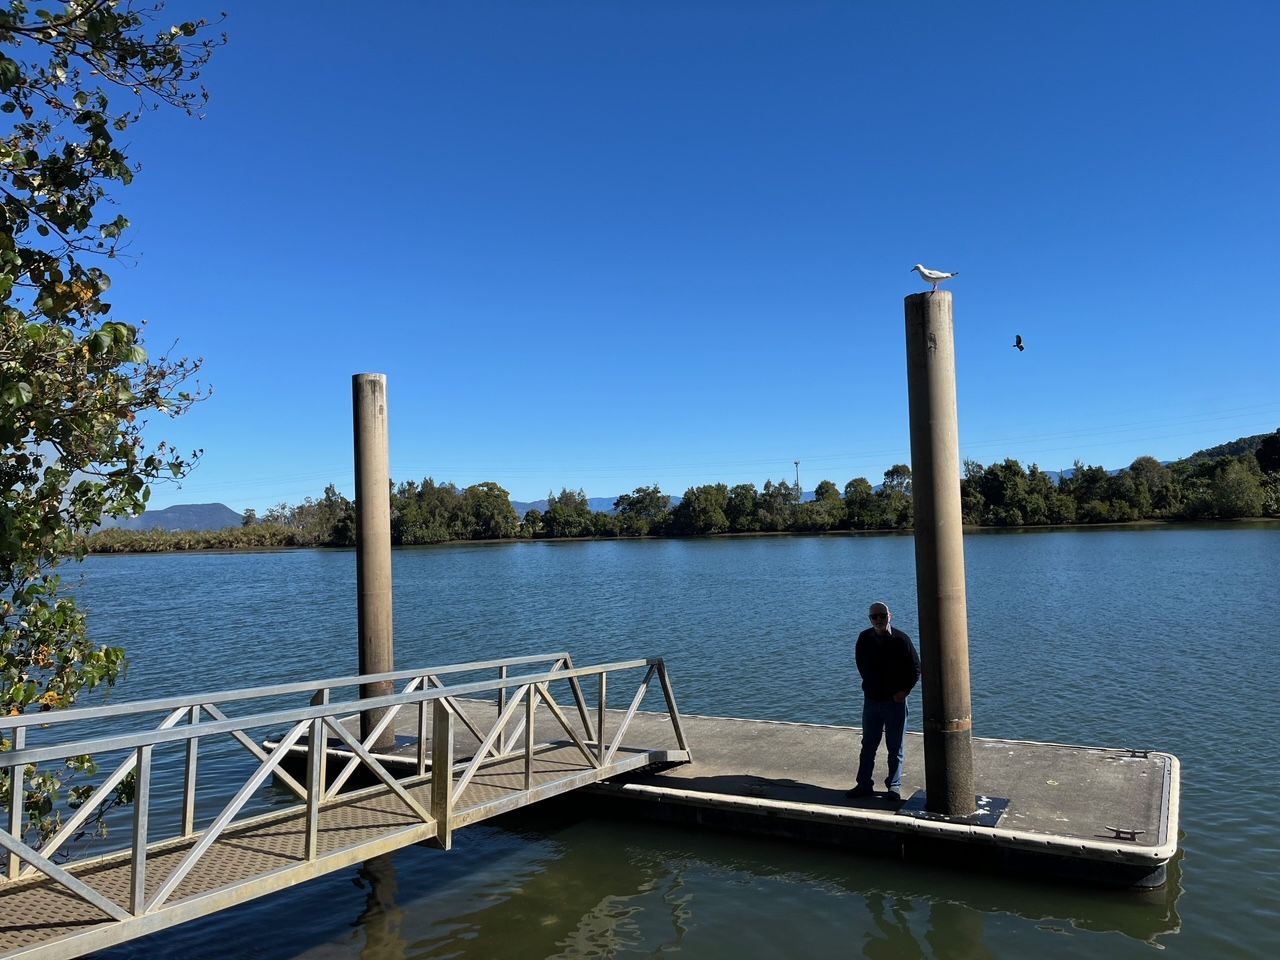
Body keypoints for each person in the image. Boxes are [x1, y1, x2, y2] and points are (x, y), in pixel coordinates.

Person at [847, 601, 920, 802]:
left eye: (882, 615)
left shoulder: (901, 639)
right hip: (871, 702)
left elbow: (915, 668)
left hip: (894, 703)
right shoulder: (864, 638)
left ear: (890, 616)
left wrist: (904, 691)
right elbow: (860, 662)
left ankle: (894, 786)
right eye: (874, 617)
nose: (878, 620)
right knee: (868, 745)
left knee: (895, 747)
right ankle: (863, 784)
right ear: (870, 619)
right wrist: (870, 684)